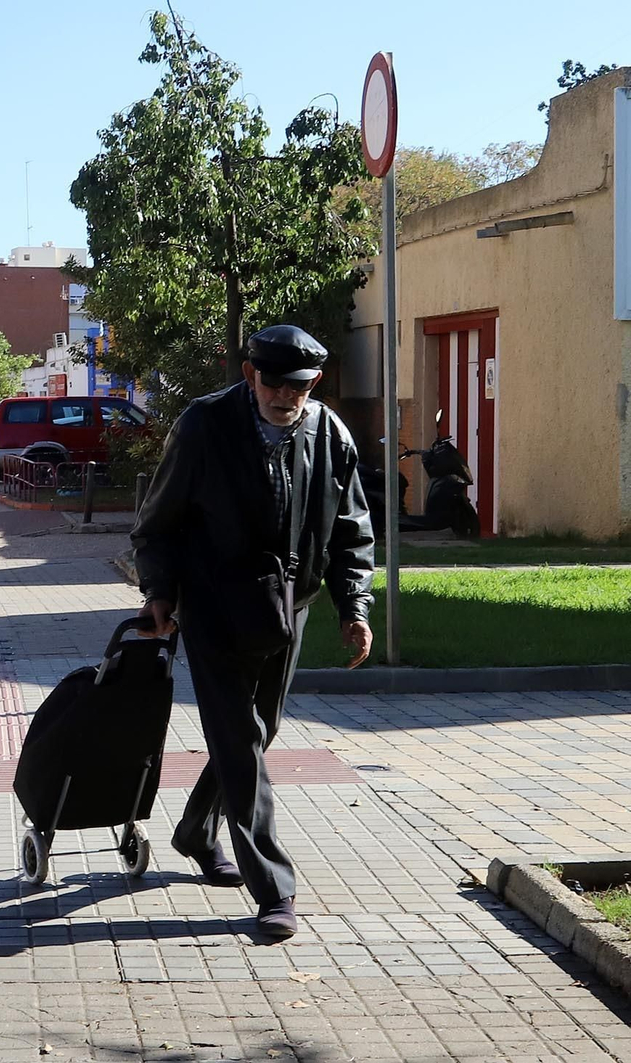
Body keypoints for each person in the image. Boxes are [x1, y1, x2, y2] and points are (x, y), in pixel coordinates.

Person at [131, 324, 375, 940]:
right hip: (213, 605)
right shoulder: (204, 426)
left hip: (287, 607)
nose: (283, 396)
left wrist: (355, 607)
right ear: (249, 374)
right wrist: (159, 592)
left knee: (256, 734)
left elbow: (350, 530)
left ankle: (194, 831)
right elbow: (157, 522)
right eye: (272, 382)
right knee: (239, 739)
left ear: (313, 382)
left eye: (297, 385)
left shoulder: (330, 436)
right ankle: (275, 888)